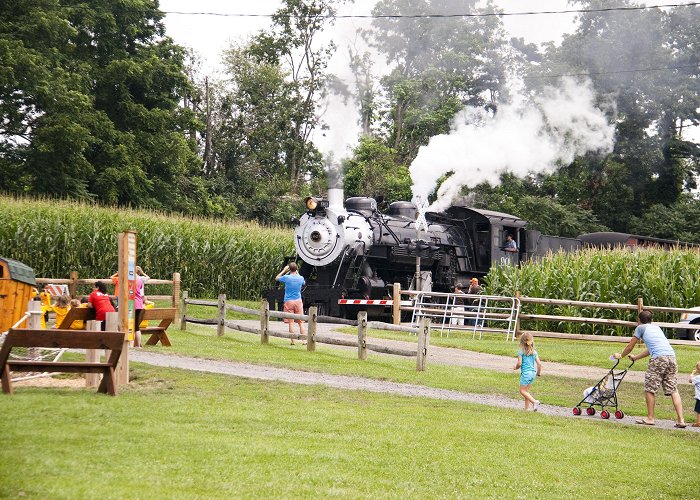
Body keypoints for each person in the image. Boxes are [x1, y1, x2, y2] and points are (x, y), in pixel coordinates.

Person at [613, 310, 687, 427]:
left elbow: (630, 346)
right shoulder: (656, 328)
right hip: (671, 357)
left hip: (658, 359)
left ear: (639, 320)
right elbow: (651, 349)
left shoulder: (640, 328)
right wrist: (636, 358)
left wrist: (621, 356)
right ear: (651, 319)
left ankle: (650, 418)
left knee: (650, 388)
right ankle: (681, 420)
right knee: (673, 389)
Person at [275, 262, 306, 345]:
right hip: (298, 301)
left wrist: (284, 270)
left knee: (291, 322)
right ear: (296, 269)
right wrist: (297, 272)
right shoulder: (300, 278)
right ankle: (304, 340)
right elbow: (303, 282)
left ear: (289, 269)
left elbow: (277, 278)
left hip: (288, 301)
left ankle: (293, 341)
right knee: (301, 322)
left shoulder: (287, 277)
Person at [514, 332, 542, 411]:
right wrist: (538, 373)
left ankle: (534, 402)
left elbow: (519, 363)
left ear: (522, 342)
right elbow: (539, 364)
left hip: (526, 374)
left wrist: (515, 368)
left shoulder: (521, 351)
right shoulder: (534, 352)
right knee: (526, 392)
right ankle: (526, 409)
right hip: (533, 373)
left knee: (522, 391)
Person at [690, 360, 700, 427]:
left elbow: (690, 380)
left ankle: (698, 422)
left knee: (698, 410)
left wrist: (692, 374)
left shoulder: (698, 377)